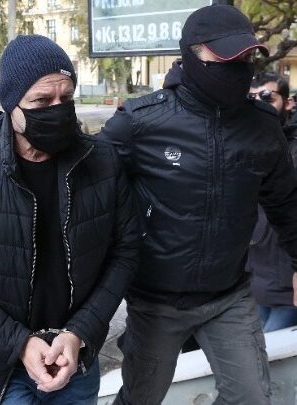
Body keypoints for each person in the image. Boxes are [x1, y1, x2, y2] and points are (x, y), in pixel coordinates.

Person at [0, 35, 139, 404]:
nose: (57, 109)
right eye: (41, 101)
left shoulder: (102, 162)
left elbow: (126, 251)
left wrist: (80, 332)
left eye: (66, 98)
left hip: (76, 359)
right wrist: (19, 343)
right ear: (10, 103)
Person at [100, 5, 297, 405]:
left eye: (246, 58)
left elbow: (286, 204)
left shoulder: (263, 126)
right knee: (141, 398)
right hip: (156, 300)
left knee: (253, 398)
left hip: (229, 295)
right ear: (191, 55)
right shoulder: (139, 122)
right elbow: (83, 192)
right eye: (225, 58)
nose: (238, 68)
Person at [246, 72, 297, 332]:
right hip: (251, 281)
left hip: (287, 283)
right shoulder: (239, 144)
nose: (258, 103)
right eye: (251, 97)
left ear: (288, 103)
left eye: (267, 97)